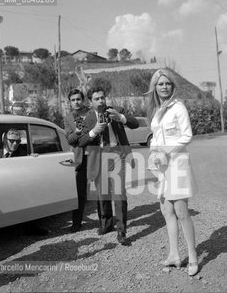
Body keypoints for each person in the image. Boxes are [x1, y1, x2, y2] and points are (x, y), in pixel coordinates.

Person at [146, 68, 198, 276]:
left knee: (182, 212)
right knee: (166, 210)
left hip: (177, 163)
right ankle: (175, 255)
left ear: (172, 86)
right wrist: (154, 152)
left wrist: (167, 153)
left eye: (167, 83)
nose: (164, 87)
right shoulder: (157, 109)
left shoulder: (178, 107)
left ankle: (193, 258)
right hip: (162, 165)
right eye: (160, 84)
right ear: (155, 87)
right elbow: (157, 136)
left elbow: (187, 136)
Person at [78, 86, 139, 244]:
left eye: (102, 98)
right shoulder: (89, 118)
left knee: (119, 195)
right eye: (96, 99)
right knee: (103, 195)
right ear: (90, 102)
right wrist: (94, 131)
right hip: (98, 158)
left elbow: (135, 123)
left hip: (117, 155)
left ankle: (121, 230)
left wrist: (120, 117)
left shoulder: (116, 111)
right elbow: (81, 141)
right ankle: (106, 224)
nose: (100, 101)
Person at [3, 128, 48, 236]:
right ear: (5, 140)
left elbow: (30, 157)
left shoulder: (22, 151)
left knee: (29, 195)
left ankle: (31, 227)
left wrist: (33, 157)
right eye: (12, 140)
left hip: (16, 184)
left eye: (18, 141)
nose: (15, 144)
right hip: (0, 184)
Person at [64, 88, 90, 233]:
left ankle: (106, 222)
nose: (76, 102)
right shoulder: (68, 118)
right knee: (79, 193)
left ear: (83, 99)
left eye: (78, 99)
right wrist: (77, 133)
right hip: (80, 158)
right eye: (73, 100)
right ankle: (76, 222)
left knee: (102, 190)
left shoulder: (92, 113)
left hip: (95, 155)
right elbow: (69, 139)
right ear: (70, 102)